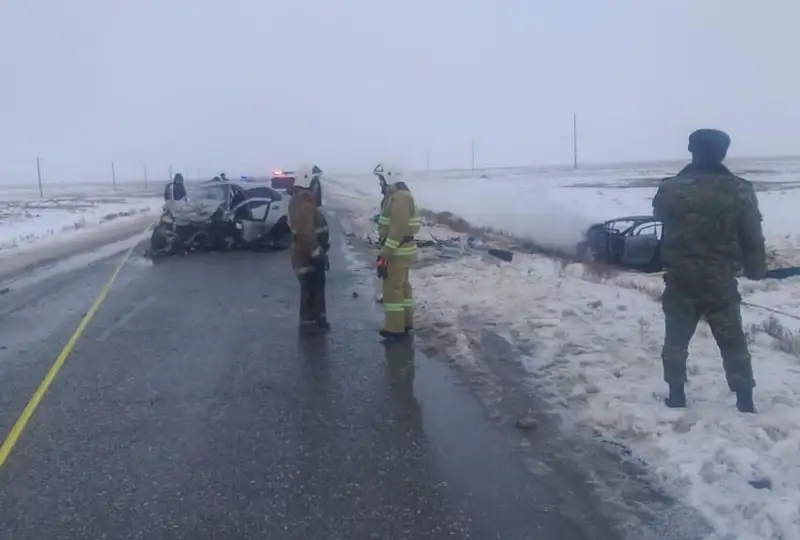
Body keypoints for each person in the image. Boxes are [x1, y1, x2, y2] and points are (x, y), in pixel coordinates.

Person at [652, 129, 766, 413]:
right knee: (732, 339)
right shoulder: (741, 189)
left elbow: (660, 214)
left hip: (681, 279)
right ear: (723, 153)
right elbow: (752, 235)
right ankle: (744, 399)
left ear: (692, 150)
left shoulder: (670, 188)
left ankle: (676, 394)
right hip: (720, 280)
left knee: (676, 338)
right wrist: (756, 269)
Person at [373, 163, 421, 340]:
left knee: (393, 289)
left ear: (389, 177)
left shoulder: (398, 198)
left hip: (397, 252)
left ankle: (395, 329)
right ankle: (406, 323)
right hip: (402, 249)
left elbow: (397, 229)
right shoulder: (400, 195)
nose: (380, 183)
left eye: (381, 179)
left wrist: (385, 253)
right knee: (403, 287)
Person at [288, 164, 331, 331]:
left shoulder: (300, 202)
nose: (317, 188)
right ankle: (310, 325)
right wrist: (317, 252)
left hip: (305, 254)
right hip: (307, 255)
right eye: (315, 184)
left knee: (313, 288)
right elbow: (306, 232)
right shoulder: (305, 205)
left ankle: (315, 320)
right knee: (311, 289)